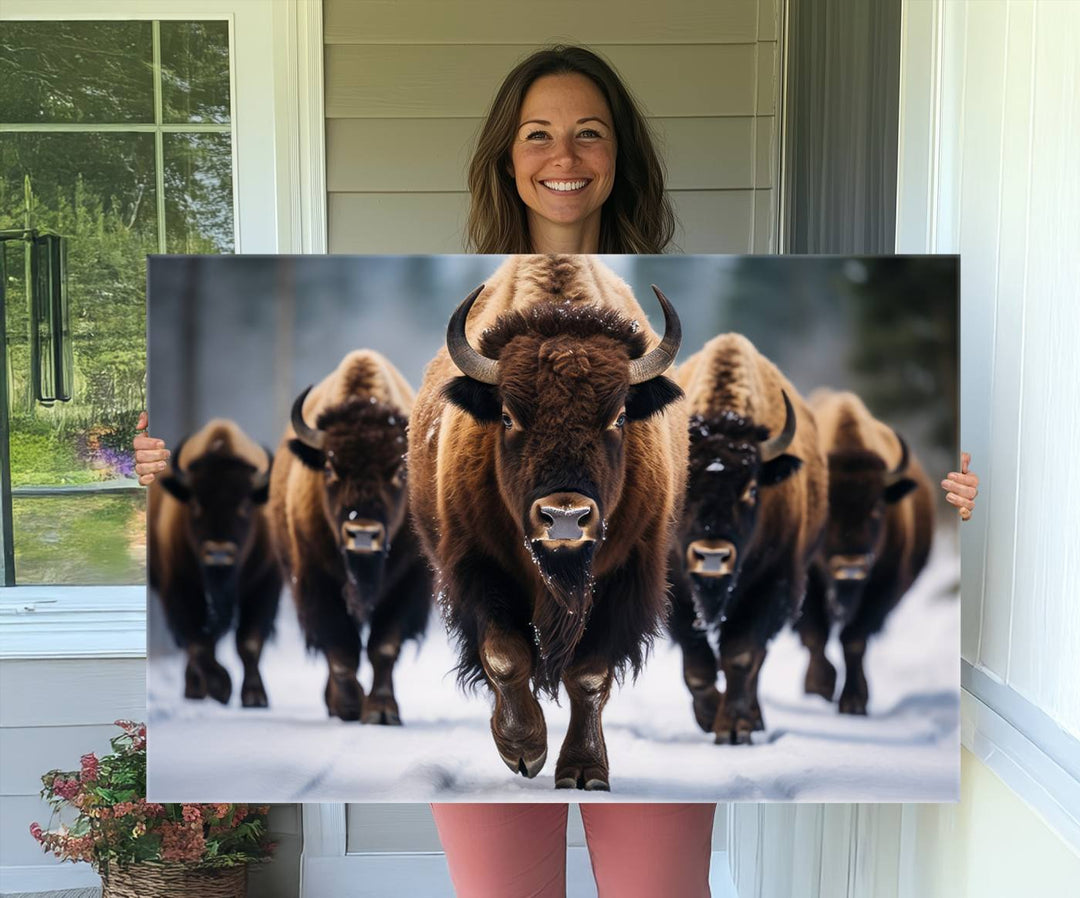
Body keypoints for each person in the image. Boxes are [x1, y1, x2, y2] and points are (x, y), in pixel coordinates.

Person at [135, 44, 979, 898]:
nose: (563, 158)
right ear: (507, 156)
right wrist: (153, 475)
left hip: (612, 566)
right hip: (499, 550)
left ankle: (589, 711)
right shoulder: (467, 363)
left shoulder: (650, 356)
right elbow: (452, 543)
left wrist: (964, 500)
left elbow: (655, 545)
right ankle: (505, 668)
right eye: (538, 134)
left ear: (621, 157)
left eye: (590, 134)